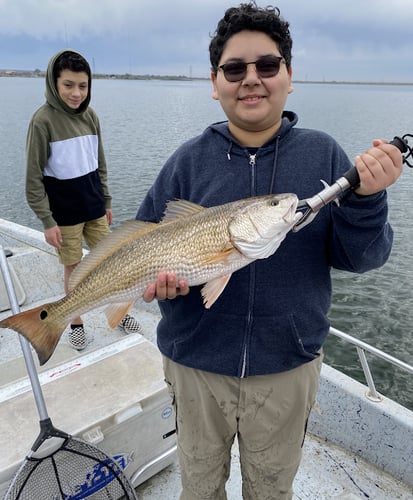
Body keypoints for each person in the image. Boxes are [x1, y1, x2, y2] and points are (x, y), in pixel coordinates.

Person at [137, 3, 403, 499]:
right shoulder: (186, 163)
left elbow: (363, 258)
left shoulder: (322, 153)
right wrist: (166, 287)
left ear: (289, 76)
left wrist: (368, 199)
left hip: (287, 367)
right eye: (234, 69)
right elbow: (146, 244)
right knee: (199, 484)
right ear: (215, 83)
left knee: (271, 489)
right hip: (196, 367)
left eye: (267, 65)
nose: (251, 79)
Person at [26, 49, 140, 351]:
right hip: (64, 214)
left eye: (82, 86)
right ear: (54, 83)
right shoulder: (42, 121)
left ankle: (119, 311)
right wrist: (46, 221)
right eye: (68, 85)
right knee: (74, 270)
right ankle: (75, 322)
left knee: (115, 263)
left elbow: (99, 163)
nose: (76, 93)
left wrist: (107, 201)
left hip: (94, 207)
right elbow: (32, 178)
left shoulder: (91, 117)